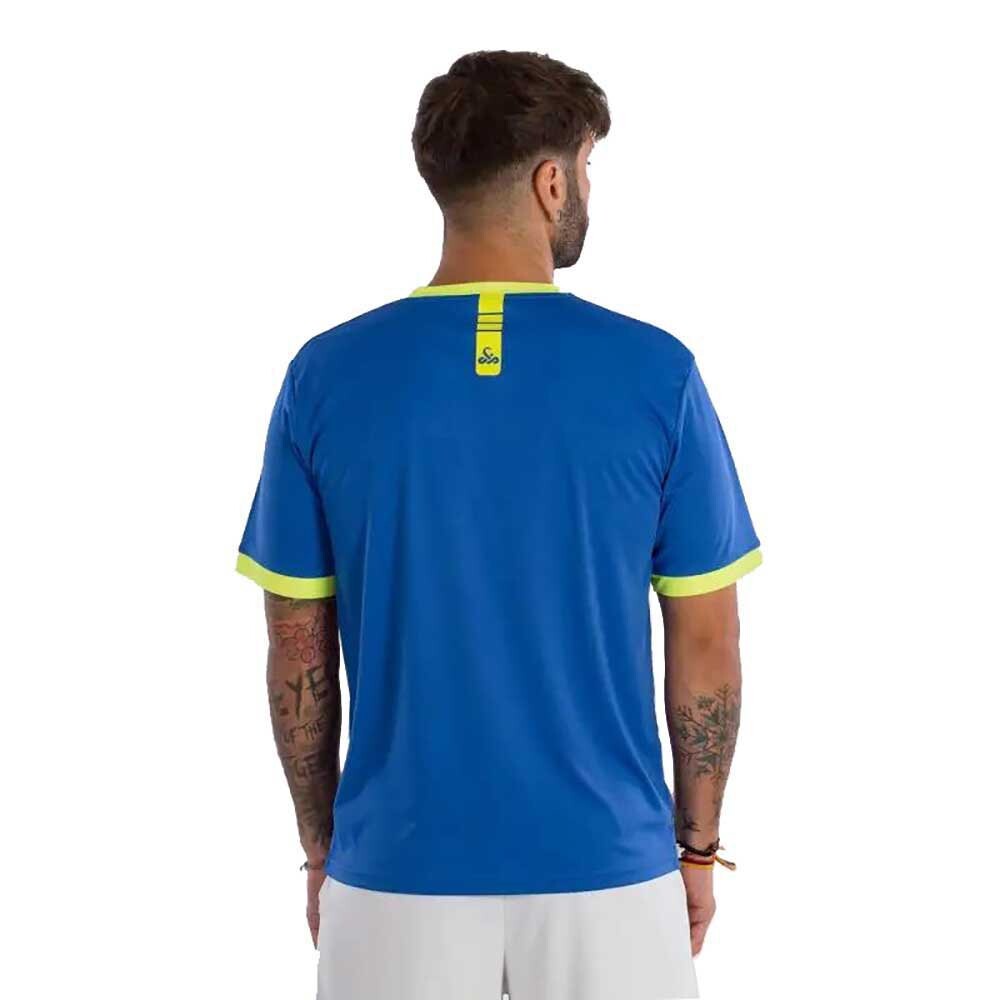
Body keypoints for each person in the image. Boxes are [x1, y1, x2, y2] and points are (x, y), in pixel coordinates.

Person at [236, 49, 761, 1000]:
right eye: (588, 167)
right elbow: (707, 641)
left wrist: (323, 850)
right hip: (610, 873)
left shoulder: (325, 376)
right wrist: (697, 849)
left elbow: (296, 647)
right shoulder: (657, 373)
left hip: (394, 874)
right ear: (551, 181)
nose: (588, 189)